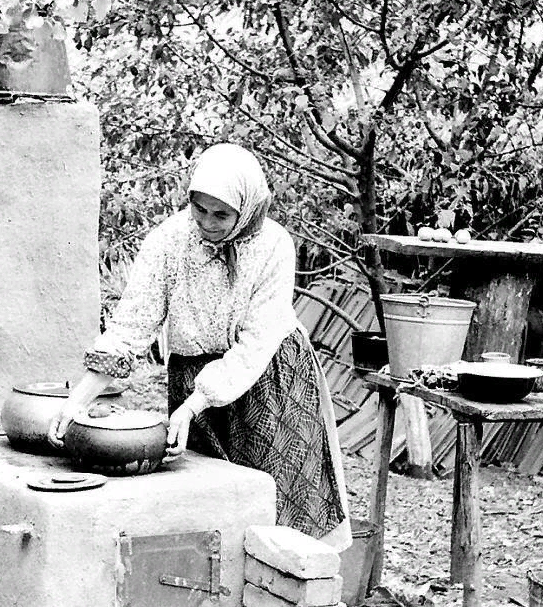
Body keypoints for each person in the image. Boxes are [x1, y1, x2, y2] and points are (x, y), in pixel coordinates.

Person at [48, 143, 351, 550]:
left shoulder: (273, 246)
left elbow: (255, 343)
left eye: (221, 214)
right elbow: (131, 326)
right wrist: (77, 401)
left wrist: (195, 404)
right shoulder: (169, 242)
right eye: (199, 209)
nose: (207, 223)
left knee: (277, 504)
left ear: (246, 210)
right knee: (213, 507)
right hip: (192, 376)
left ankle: (287, 604)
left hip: (268, 377)